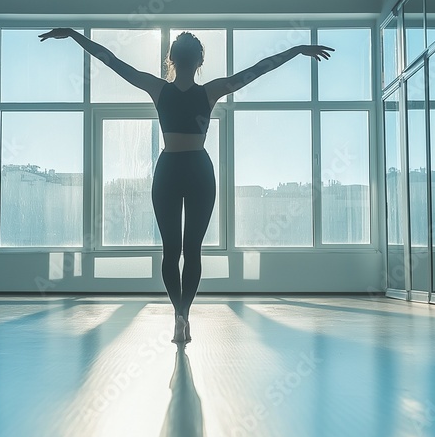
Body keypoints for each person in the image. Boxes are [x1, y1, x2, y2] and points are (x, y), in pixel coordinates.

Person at [39, 28, 333, 343]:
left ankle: (178, 315)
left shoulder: (158, 88)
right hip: (198, 171)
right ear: (199, 61)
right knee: (191, 251)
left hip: (169, 170)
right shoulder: (210, 91)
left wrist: (74, 35)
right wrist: (297, 48)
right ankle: (184, 316)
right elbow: (258, 70)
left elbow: (112, 61)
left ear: (172, 60)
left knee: (171, 251)